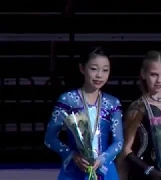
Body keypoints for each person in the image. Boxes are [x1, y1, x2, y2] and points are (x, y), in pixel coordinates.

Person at [44, 47, 124, 180]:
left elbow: (119, 142)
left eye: (105, 70)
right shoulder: (68, 99)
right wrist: (72, 155)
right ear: (82, 68)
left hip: (105, 170)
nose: (99, 75)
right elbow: (50, 138)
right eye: (93, 69)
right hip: (74, 170)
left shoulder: (112, 103)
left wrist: (103, 159)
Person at [117, 51, 161, 180]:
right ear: (143, 74)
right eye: (154, 75)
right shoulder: (138, 107)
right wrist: (149, 171)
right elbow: (126, 149)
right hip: (143, 175)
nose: (159, 80)